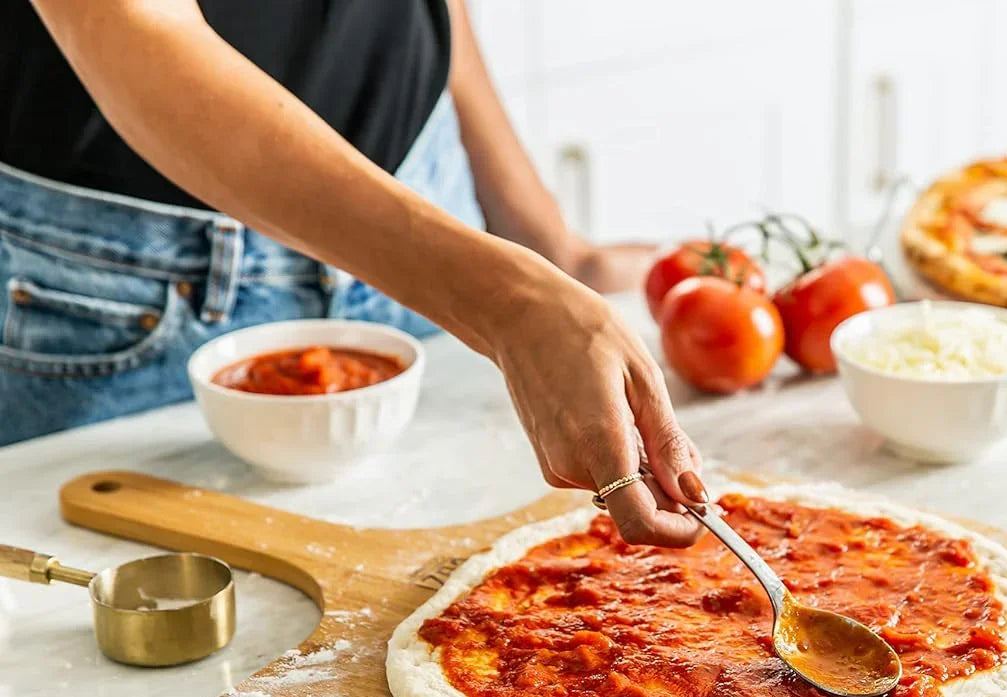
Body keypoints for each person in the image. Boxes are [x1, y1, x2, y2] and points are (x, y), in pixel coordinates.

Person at [0, 0, 705, 546]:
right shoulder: (500, 298)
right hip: (128, 298)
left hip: (441, 221)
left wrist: (539, 236)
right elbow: (134, 30)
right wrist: (509, 301)